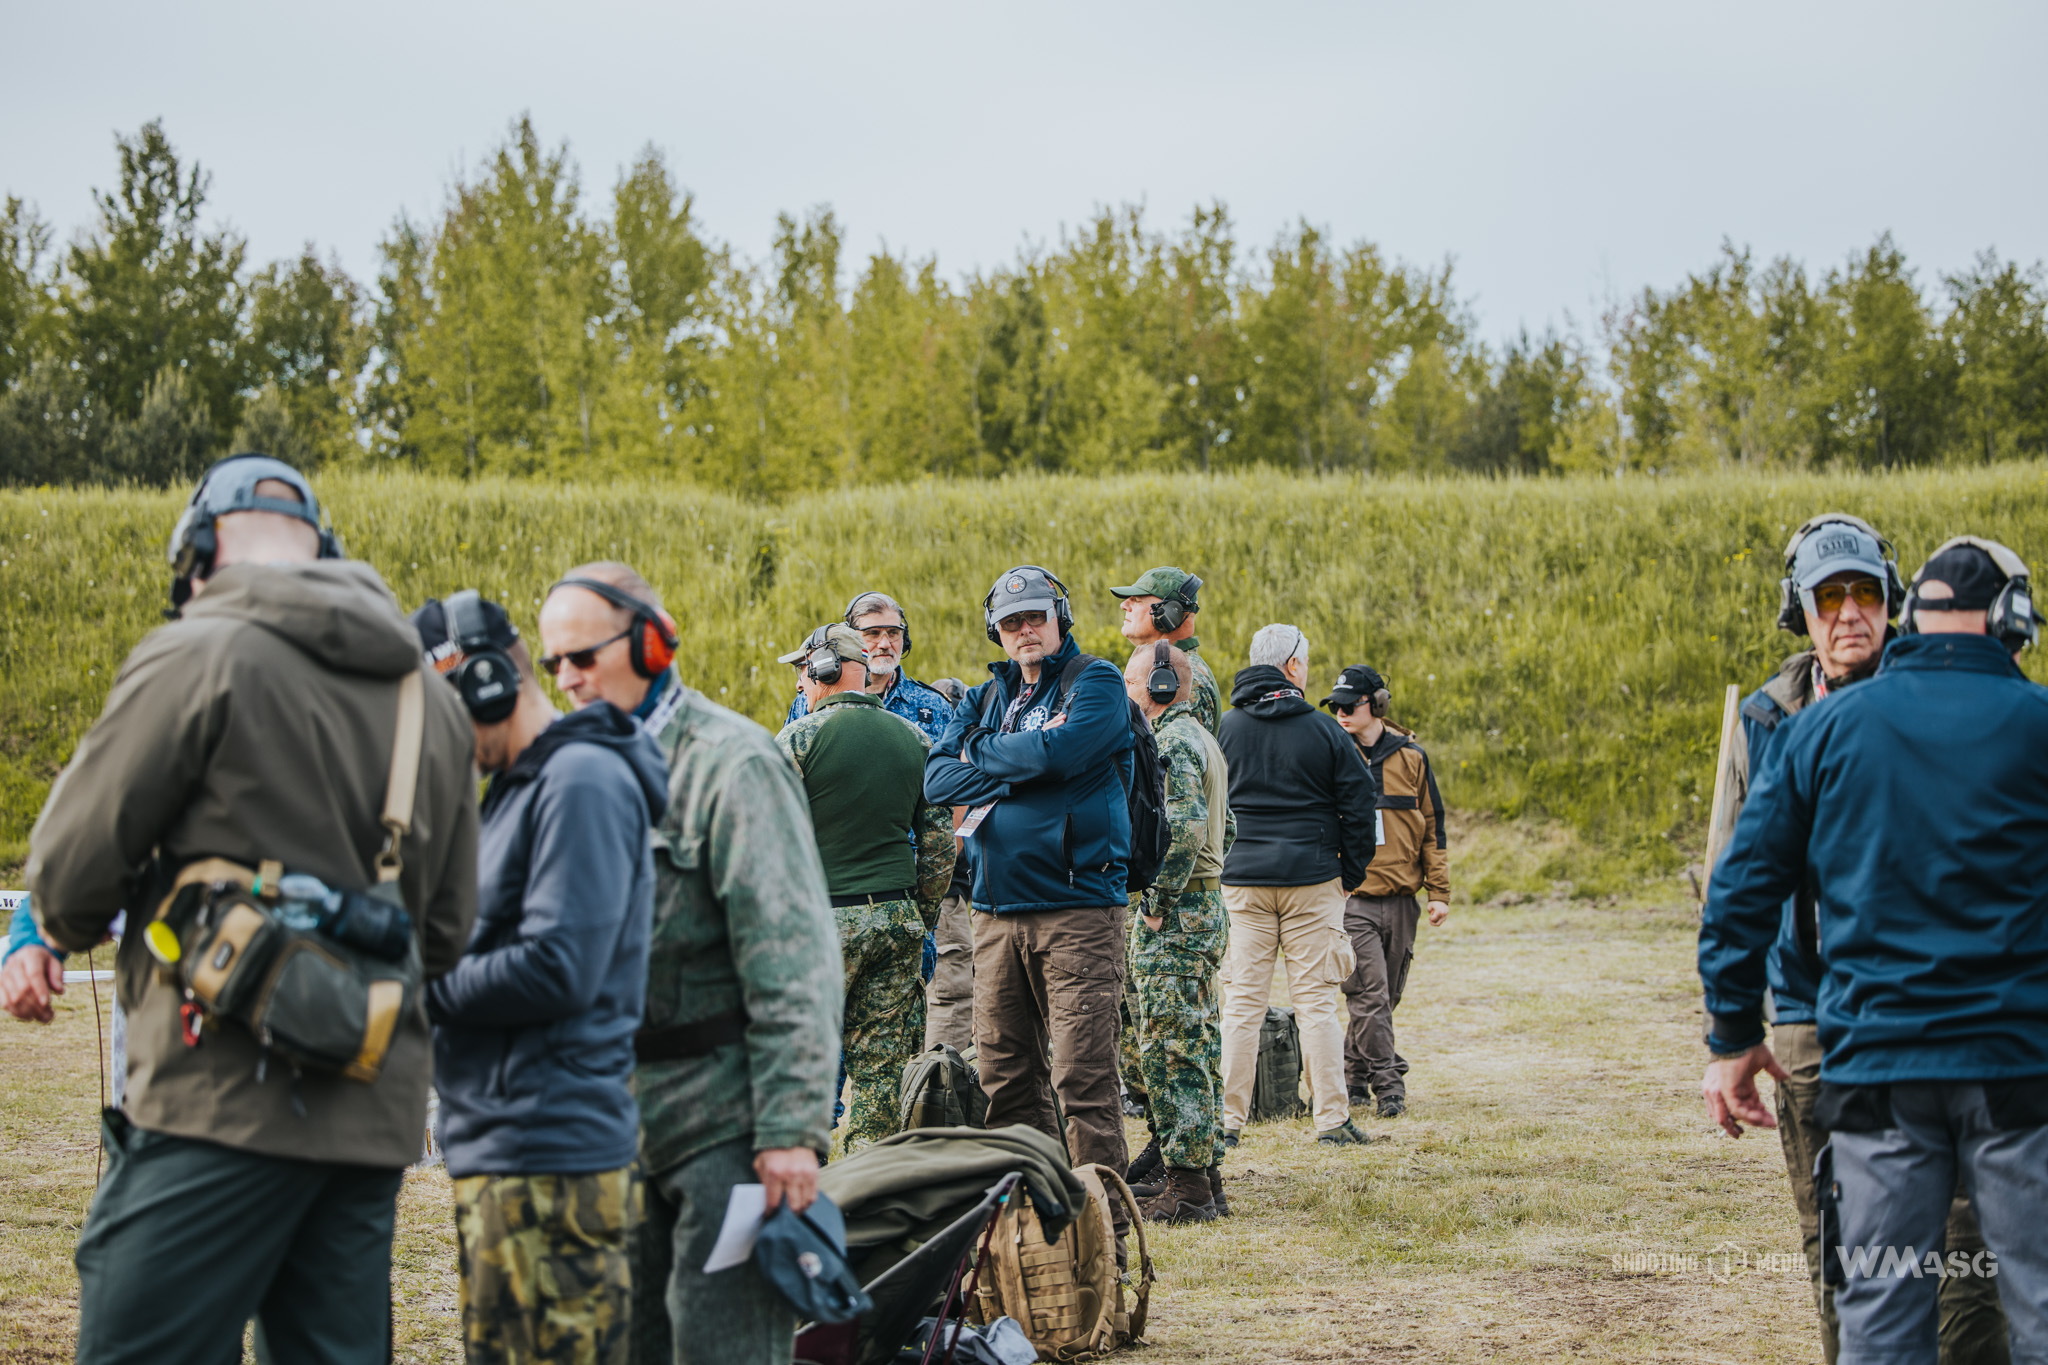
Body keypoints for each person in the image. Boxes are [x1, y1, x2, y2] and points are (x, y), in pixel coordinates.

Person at [21, 455, 480, 1364]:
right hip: (368, 1109)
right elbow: (446, 928)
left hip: (213, 1096)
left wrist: (53, 931)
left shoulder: (196, 652)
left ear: (196, 554)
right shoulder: (429, 700)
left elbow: (73, 869)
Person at [1700, 537, 2048, 1365]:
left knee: (1883, 1321)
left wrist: (1733, 1033)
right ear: (2010, 622)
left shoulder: (1823, 729)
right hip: (2018, 1072)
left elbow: (1740, 891)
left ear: (1908, 613)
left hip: (1875, 1073)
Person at [538, 565, 842, 1365]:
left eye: (582, 656)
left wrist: (791, 1129)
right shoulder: (570, 770)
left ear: (651, 642)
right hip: (608, 1117)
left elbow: (793, 957)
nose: (566, 677)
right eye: (553, 662)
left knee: (722, 1347)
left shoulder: (732, 765)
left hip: (722, 1124)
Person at [413, 592, 667, 1365]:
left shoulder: (579, 780)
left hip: (549, 1158)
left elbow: (560, 966)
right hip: (512, 1150)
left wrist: (417, 984)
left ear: (486, 682)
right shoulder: (520, 789)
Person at [923, 565, 1136, 1180]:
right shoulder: (983, 698)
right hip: (994, 914)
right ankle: (1036, 1208)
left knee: (1082, 1077)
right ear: (997, 631)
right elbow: (937, 778)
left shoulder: (1095, 681)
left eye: (1035, 618)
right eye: (1011, 622)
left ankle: (1104, 1220)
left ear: (1058, 618)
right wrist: (1025, 765)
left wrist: (982, 751)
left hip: (1078, 909)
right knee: (1004, 1075)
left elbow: (1062, 752)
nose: (1024, 631)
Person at [774, 623, 955, 1151]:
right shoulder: (916, 739)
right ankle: (868, 1178)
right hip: (896, 921)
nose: (801, 683)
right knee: (882, 1071)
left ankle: (800, 1172)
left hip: (819, 923)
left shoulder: (797, 739)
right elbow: (940, 846)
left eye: (804, 671)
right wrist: (920, 915)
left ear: (825, 669)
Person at [1216, 624, 1379, 1147]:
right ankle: (1331, 1120)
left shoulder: (1225, 727)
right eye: (1304, 663)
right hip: (1313, 879)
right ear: (1291, 666)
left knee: (1242, 1004)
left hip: (1242, 881)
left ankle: (1227, 1122)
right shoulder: (1324, 730)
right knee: (1317, 1004)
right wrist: (1351, 874)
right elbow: (1360, 805)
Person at [1119, 643, 1234, 1224]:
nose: (1126, 692)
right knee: (1197, 1042)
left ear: (1159, 685)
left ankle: (1187, 1188)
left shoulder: (1172, 742)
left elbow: (1185, 829)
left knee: (1171, 1049)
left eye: (1130, 681)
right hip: (1202, 905)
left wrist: (1157, 902)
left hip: (1179, 913)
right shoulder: (1203, 738)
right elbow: (1226, 827)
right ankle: (1202, 1176)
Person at [1322, 665, 1449, 1120]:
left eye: (1349, 705)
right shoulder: (1331, 754)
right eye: (1335, 706)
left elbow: (1433, 827)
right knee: (1369, 996)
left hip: (1402, 901)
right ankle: (1389, 1085)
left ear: (1377, 705)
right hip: (1352, 899)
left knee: (1384, 998)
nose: (1340, 713)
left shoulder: (1413, 758)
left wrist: (1439, 891)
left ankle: (1353, 1074)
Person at [783, 592, 956, 743]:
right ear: (849, 639)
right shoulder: (810, 701)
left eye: (893, 633)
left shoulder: (933, 705)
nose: (885, 644)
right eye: (873, 633)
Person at [922, 677, 977, 1051]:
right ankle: (938, 1083)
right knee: (951, 994)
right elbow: (958, 825)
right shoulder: (956, 748)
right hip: (942, 889)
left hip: (925, 887)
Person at [1111, 566, 1222, 734]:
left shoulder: (1185, 678)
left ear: (1170, 613)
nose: (1124, 605)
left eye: (1137, 600)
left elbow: (1182, 745)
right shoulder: (1169, 670)